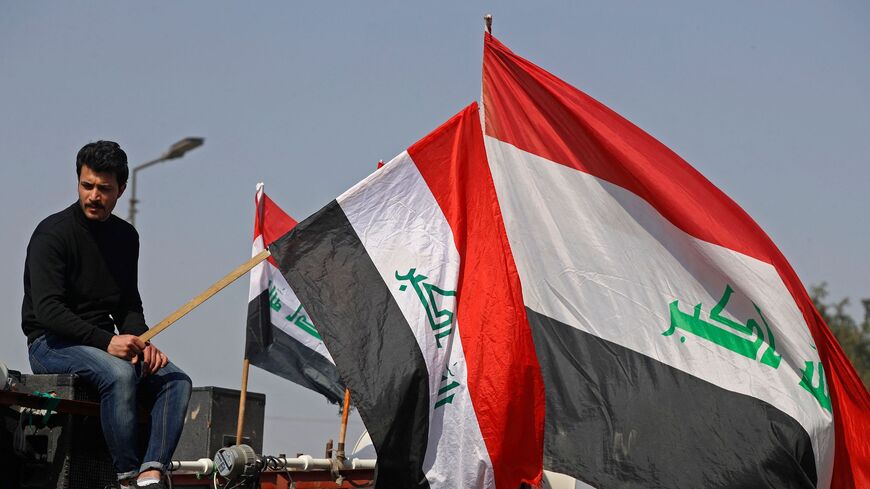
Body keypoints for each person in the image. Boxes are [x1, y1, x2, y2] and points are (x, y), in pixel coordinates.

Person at [22, 141, 192, 489]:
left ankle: (151, 473)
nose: (94, 196)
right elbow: (48, 310)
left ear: (121, 191)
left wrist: (142, 342)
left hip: (102, 343)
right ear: (78, 183)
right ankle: (127, 477)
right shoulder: (52, 234)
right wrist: (108, 342)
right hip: (51, 343)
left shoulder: (126, 237)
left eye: (104, 188)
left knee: (176, 381)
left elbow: (128, 304)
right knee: (119, 374)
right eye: (87, 186)